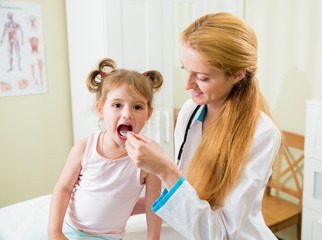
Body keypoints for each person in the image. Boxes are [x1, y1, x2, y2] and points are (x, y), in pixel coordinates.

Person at [125, 12, 281, 239]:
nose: (187, 84)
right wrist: (126, 205)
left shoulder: (262, 134)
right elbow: (188, 195)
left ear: (237, 75)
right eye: (184, 70)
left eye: (202, 77)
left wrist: (166, 170)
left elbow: (222, 233)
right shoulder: (192, 111)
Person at [48, 58, 163, 240]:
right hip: (70, 230)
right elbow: (63, 189)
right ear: (101, 109)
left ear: (148, 114)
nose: (127, 114)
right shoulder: (84, 148)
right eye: (117, 105)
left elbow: (153, 203)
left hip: (109, 237)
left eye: (137, 107)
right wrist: (55, 232)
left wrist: (153, 238)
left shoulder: (149, 159)